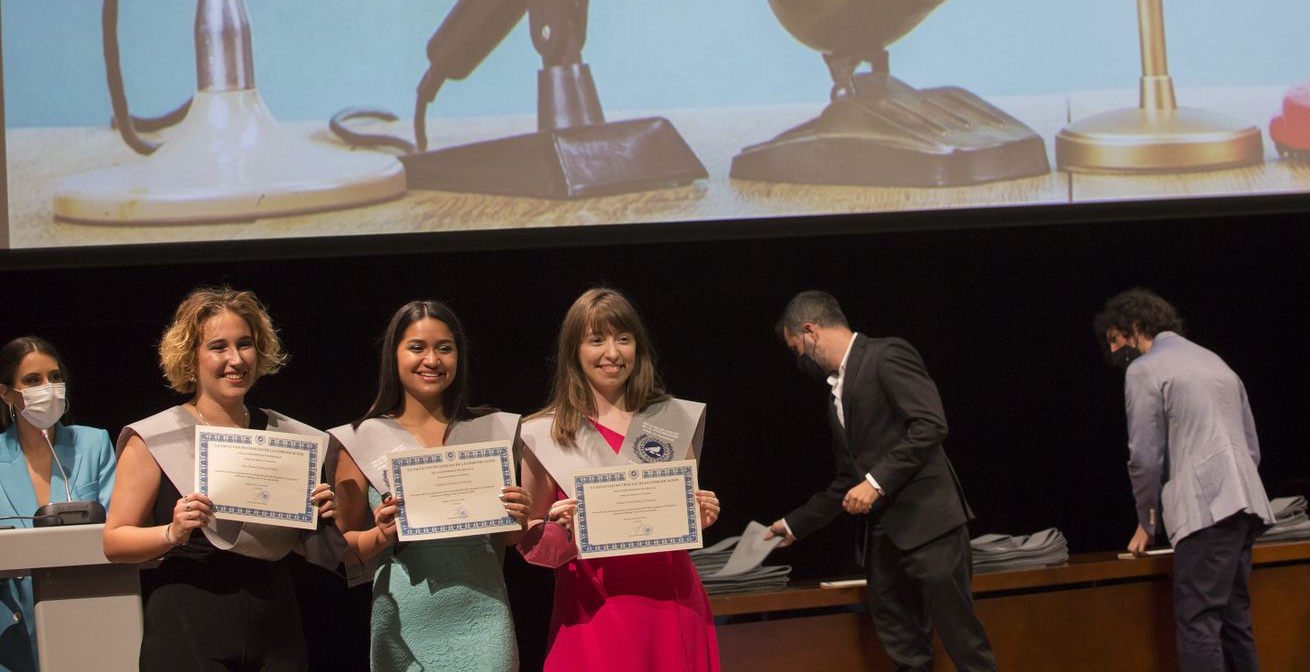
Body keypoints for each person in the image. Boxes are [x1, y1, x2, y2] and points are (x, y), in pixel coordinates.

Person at [102, 287, 346, 672]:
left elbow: (308, 551)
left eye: (245, 344)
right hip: (187, 625)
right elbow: (114, 541)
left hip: (276, 622)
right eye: (219, 346)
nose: (236, 359)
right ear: (190, 358)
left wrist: (320, 519)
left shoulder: (292, 439)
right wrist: (172, 531)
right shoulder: (155, 438)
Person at [766, 290, 996, 672]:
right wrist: (794, 524)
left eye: (797, 349)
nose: (799, 360)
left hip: (930, 527)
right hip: (885, 539)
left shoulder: (886, 354)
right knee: (904, 647)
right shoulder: (834, 393)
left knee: (963, 642)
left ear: (810, 331)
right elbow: (847, 480)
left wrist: (875, 482)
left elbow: (930, 425)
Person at [518, 287, 721, 671]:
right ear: (574, 351)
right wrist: (559, 530)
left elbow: (680, 519)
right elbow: (528, 541)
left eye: (623, 339)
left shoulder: (672, 418)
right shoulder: (545, 431)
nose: (612, 353)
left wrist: (700, 515)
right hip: (592, 608)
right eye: (596, 340)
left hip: (671, 602)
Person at [330, 300, 530, 672]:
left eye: (444, 348)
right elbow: (343, 546)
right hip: (404, 622)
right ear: (394, 355)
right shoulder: (357, 440)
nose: (432, 360)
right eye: (417, 347)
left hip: (484, 615)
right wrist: (382, 534)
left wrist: (518, 519)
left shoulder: (492, 432)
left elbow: (509, 540)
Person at [1094, 287, 1273, 672]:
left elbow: (1143, 457)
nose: (1113, 352)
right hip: (1245, 508)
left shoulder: (1144, 369)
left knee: (1198, 623)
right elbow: (1251, 447)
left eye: (1115, 339)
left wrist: (1149, 521)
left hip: (1206, 512)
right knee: (1234, 623)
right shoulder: (1215, 361)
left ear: (1136, 326)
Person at [0, 337, 117, 672]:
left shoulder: (94, 444)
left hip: (89, 616)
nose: (48, 388)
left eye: (54, 377)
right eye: (33, 380)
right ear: (7, 394)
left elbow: (116, 528)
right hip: (13, 635)